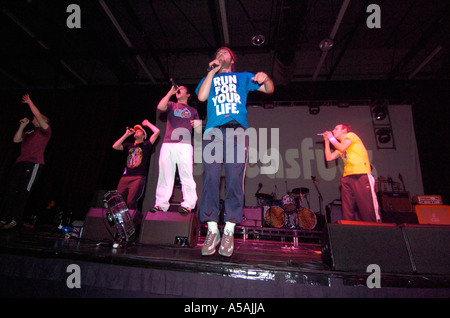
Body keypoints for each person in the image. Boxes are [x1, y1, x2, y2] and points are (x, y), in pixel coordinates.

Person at [196, 47, 274, 257]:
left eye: (225, 52)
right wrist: (211, 72)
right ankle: (212, 230)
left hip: (237, 131)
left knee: (234, 179)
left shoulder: (243, 77)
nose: (221, 54)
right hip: (213, 132)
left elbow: (268, 90)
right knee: (211, 178)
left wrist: (265, 78)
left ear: (233, 58)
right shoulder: (209, 79)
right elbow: (202, 98)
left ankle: (229, 230)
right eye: (218, 53)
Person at [0, 94, 51, 230]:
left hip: (33, 164)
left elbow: (38, 115)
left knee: (23, 191)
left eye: (38, 118)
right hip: (20, 163)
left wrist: (29, 102)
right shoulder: (29, 132)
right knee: (11, 190)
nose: (34, 118)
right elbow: (16, 140)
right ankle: (6, 217)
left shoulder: (44, 131)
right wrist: (22, 126)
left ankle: (15, 219)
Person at [150, 84, 201, 215]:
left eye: (182, 88)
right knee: (165, 174)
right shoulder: (172, 104)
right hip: (168, 143)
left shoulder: (193, 110)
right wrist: (170, 92)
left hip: (184, 144)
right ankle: (161, 204)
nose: (179, 89)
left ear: (188, 94)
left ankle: (188, 204)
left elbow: (199, 129)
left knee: (186, 175)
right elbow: (160, 107)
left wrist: (197, 124)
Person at [322, 124, 381, 222]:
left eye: (336, 129)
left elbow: (341, 148)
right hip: (347, 178)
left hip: (361, 175)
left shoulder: (351, 135)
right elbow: (329, 158)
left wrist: (331, 137)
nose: (333, 130)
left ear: (344, 130)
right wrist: (326, 141)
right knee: (347, 210)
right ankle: (349, 229)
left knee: (367, 208)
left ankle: (375, 228)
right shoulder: (340, 146)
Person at [112, 120, 159, 214]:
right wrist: (126, 135)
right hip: (125, 178)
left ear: (143, 135)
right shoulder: (129, 146)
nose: (136, 131)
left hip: (137, 177)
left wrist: (147, 124)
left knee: (131, 201)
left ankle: (131, 221)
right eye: (135, 130)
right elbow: (115, 146)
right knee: (119, 202)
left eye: (139, 130)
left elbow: (157, 131)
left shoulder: (146, 145)